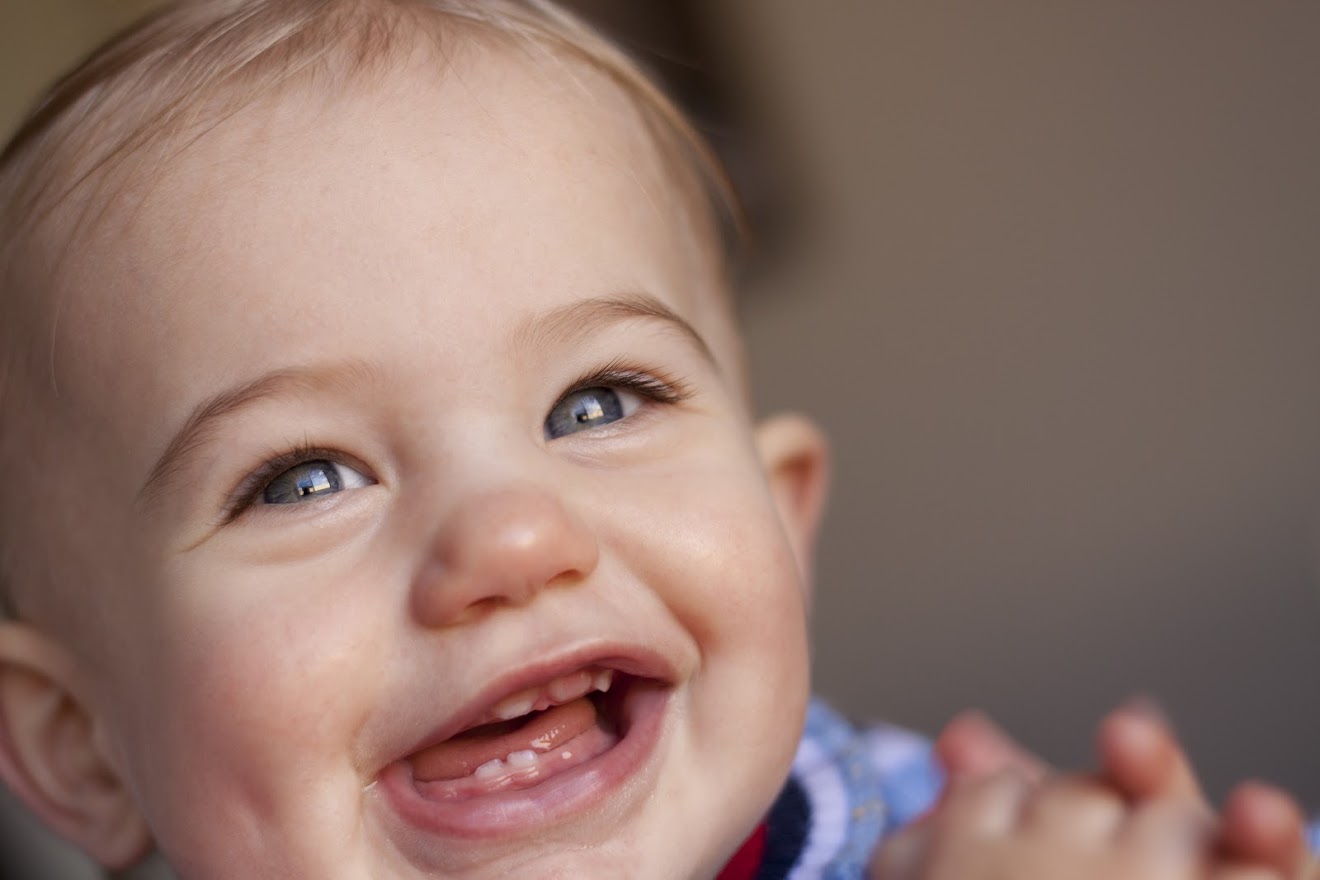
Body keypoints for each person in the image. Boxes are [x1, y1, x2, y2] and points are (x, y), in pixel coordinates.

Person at [0, 1, 1308, 877]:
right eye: (303, 478)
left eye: (597, 403)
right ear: (75, 740)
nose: (513, 536)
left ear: (780, 521)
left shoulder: (947, 835)